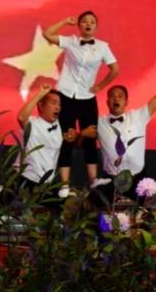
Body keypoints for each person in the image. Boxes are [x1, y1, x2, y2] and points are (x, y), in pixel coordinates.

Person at [92, 66, 156, 205]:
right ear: (107, 102)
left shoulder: (138, 116)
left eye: (120, 96)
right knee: (90, 206)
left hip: (138, 178)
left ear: (126, 102)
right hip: (112, 179)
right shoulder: (99, 122)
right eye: (112, 96)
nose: (116, 98)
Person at [43, 11, 119, 196]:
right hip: (66, 95)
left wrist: (100, 86)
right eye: (84, 21)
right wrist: (64, 21)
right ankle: (64, 184)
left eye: (92, 22)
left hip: (87, 98)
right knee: (67, 138)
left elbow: (115, 69)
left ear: (96, 26)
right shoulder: (71, 41)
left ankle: (93, 180)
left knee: (90, 138)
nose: (88, 24)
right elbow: (47, 34)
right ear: (79, 26)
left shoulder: (102, 47)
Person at [14, 83, 78, 194]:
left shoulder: (60, 125)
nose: (58, 107)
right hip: (24, 179)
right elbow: (21, 117)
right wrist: (40, 94)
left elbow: (71, 136)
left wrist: (73, 136)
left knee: (67, 203)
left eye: (59, 104)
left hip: (46, 183)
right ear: (41, 105)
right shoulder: (32, 123)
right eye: (53, 103)